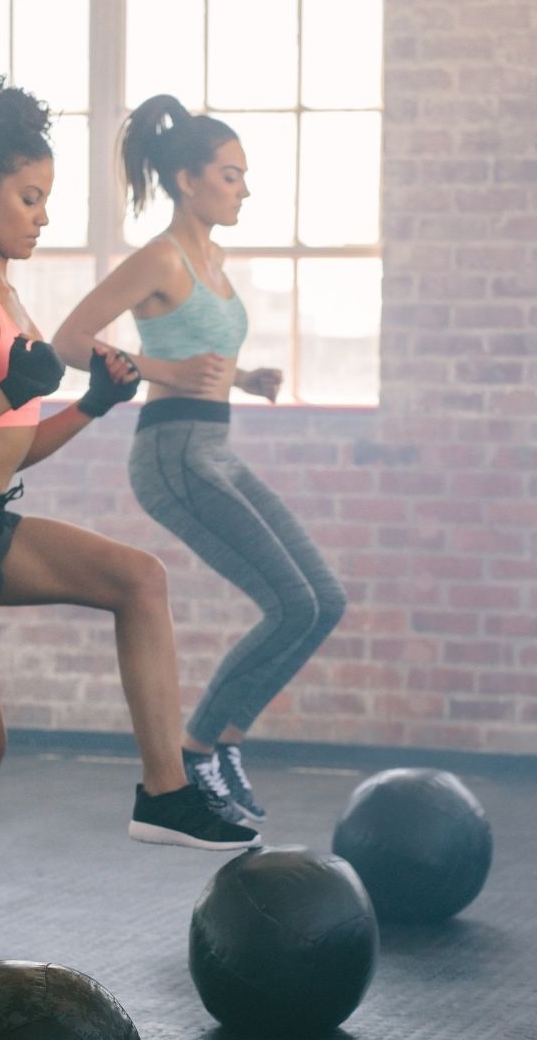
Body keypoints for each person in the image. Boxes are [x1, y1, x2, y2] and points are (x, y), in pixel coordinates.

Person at [0, 66, 260, 1009]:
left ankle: (164, 790)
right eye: (30, 198)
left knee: (137, 579)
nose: (42, 217)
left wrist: (92, 399)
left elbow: (13, 444)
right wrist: (13, 384)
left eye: (47, 198)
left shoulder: (10, 299)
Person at [52, 94, 346, 824]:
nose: (243, 188)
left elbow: (201, 349)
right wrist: (163, 372)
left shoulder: (212, 258)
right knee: (290, 605)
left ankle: (225, 739)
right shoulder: (160, 256)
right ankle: (194, 750)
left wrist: (245, 378)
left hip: (215, 446)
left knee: (323, 602)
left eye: (244, 176)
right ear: (188, 180)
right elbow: (68, 339)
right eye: (230, 174)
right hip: (172, 455)